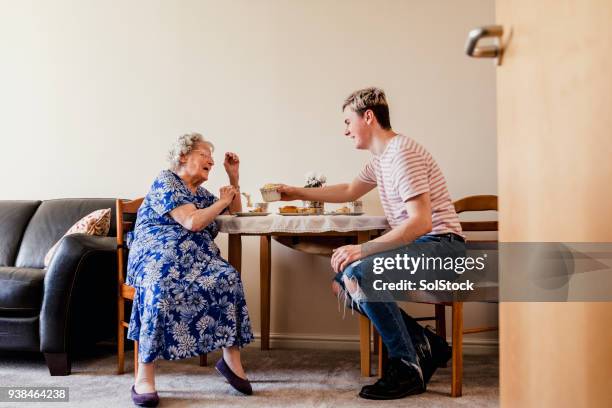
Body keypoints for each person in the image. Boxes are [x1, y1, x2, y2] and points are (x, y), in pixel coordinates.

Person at [277, 87, 465, 400]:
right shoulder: (382, 159)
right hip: (426, 245)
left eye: (348, 122)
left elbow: (421, 223)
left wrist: (361, 250)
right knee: (343, 284)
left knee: (359, 274)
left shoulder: (403, 152)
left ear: (368, 117)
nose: (345, 130)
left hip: (443, 247)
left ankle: (407, 367)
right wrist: (298, 192)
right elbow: (350, 190)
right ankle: (424, 344)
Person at [126, 133, 255, 407]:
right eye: (204, 154)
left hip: (198, 259)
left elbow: (235, 215)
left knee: (228, 278)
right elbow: (192, 222)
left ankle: (231, 361)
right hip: (157, 255)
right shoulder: (166, 181)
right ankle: (144, 373)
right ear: (183, 156)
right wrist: (221, 202)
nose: (211, 160)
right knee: (161, 285)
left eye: (211, 156)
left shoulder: (201, 194)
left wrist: (234, 179)